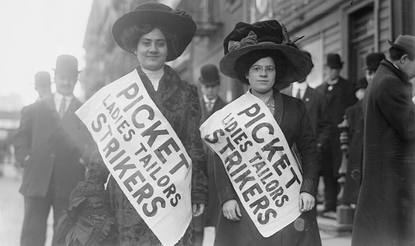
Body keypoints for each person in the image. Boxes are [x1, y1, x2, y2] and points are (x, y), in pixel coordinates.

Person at [56, 3, 209, 246]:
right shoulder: (118, 93)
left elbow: (193, 145)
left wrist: (198, 190)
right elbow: (104, 150)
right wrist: (94, 190)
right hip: (130, 197)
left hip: (174, 197)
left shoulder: (187, 92)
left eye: (160, 43)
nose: (153, 49)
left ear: (168, 47)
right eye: (146, 43)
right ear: (135, 47)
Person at [212, 20, 321, 245]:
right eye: (257, 69)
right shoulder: (231, 113)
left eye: (269, 69)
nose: (263, 74)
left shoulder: (295, 107)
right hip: (248, 198)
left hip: (289, 196)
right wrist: (227, 198)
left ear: (276, 73)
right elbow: (221, 158)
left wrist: (308, 189)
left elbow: (309, 151)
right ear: (247, 74)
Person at [13, 54, 95, 246]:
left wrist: (84, 158)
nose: (66, 82)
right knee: (31, 237)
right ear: (55, 78)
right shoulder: (36, 108)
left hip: (69, 184)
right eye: (62, 77)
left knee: (64, 237)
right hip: (37, 182)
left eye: (71, 77)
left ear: (76, 79)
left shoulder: (86, 111)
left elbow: (94, 143)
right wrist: (25, 158)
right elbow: (21, 137)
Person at [352, 35, 415, 246]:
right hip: (392, 177)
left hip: (381, 175)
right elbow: (409, 127)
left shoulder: (381, 77)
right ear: (404, 60)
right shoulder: (391, 83)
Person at [341, 52, 385, 207]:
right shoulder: (365, 98)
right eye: (368, 73)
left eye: (374, 73)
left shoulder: (385, 93)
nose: (371, 77)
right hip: (360, 150)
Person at [316, 53, 357, 214]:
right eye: (332, 68)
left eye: (337, 68)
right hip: (326, 138)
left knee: (340, 170)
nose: (334, 72)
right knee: (326, 171)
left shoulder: (348, 88)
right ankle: (330, 203)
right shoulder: (320, 90)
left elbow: (352, 111)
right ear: (326, 69)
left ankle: (344, 204)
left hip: (341, 138)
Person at [195, 64, 227, 246]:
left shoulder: (226, 109)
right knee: (197, 223)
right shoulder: (193, 108)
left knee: (218, 222)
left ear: (219, 85)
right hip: (198, 174)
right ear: (201, 86)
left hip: (217, 173)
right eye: (207, 86)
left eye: (214, 85)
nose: (210, 90)